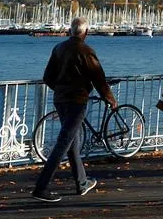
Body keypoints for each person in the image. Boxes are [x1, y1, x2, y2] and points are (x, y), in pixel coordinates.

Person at [31, 16, 117, 204]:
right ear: (86, 33)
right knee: (63, 143)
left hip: (60, 100)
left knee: (72, 142)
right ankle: (41, 187)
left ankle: (82, 182)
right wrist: (110, 99)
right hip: (77, 102)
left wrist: (61, 89)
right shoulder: (86, 51)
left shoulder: (59, 48)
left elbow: (47, 76)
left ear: (70, 31)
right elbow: (98, 79)